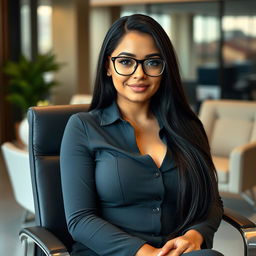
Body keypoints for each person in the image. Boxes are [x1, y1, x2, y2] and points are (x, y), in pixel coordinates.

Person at [60, 14, 224, 256]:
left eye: (152, 62)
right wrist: (145, 252)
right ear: (108, 66)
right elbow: (80, 220)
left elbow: (211, 202)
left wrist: (195, 234)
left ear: (164, 68)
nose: (139, 74)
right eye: (126, 62)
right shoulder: (83, 127)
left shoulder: (188, 126)